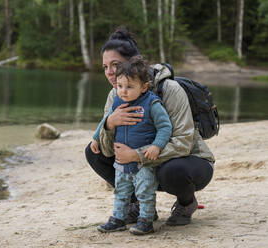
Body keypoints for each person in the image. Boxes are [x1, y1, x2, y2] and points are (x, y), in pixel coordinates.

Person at [85, 27, 214, 226]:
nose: (109, 72)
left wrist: (137, 155)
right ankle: (141, 206)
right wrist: (109, 125)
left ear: (134, 61)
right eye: (104, 67)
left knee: (173, 171)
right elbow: (109, 150)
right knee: (94, 152)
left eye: (115, 64)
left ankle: (186, 203)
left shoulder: (169, 89)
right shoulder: (115, 95)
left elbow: (183, 144)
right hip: (143, 167)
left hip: (187, 162)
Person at [97, 56, 172, 235]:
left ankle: (146, 221)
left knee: (145, 192)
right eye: (120, 86)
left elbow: (165, 127)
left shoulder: (151, 104)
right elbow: (104, 122)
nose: (123, 91)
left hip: (143, 160)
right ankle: (118, 219)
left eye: (129, 87)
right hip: (122, 162)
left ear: (144, 87)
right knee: (121, 192)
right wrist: (95, 138)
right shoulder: (118, 101)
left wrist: (156, 146)